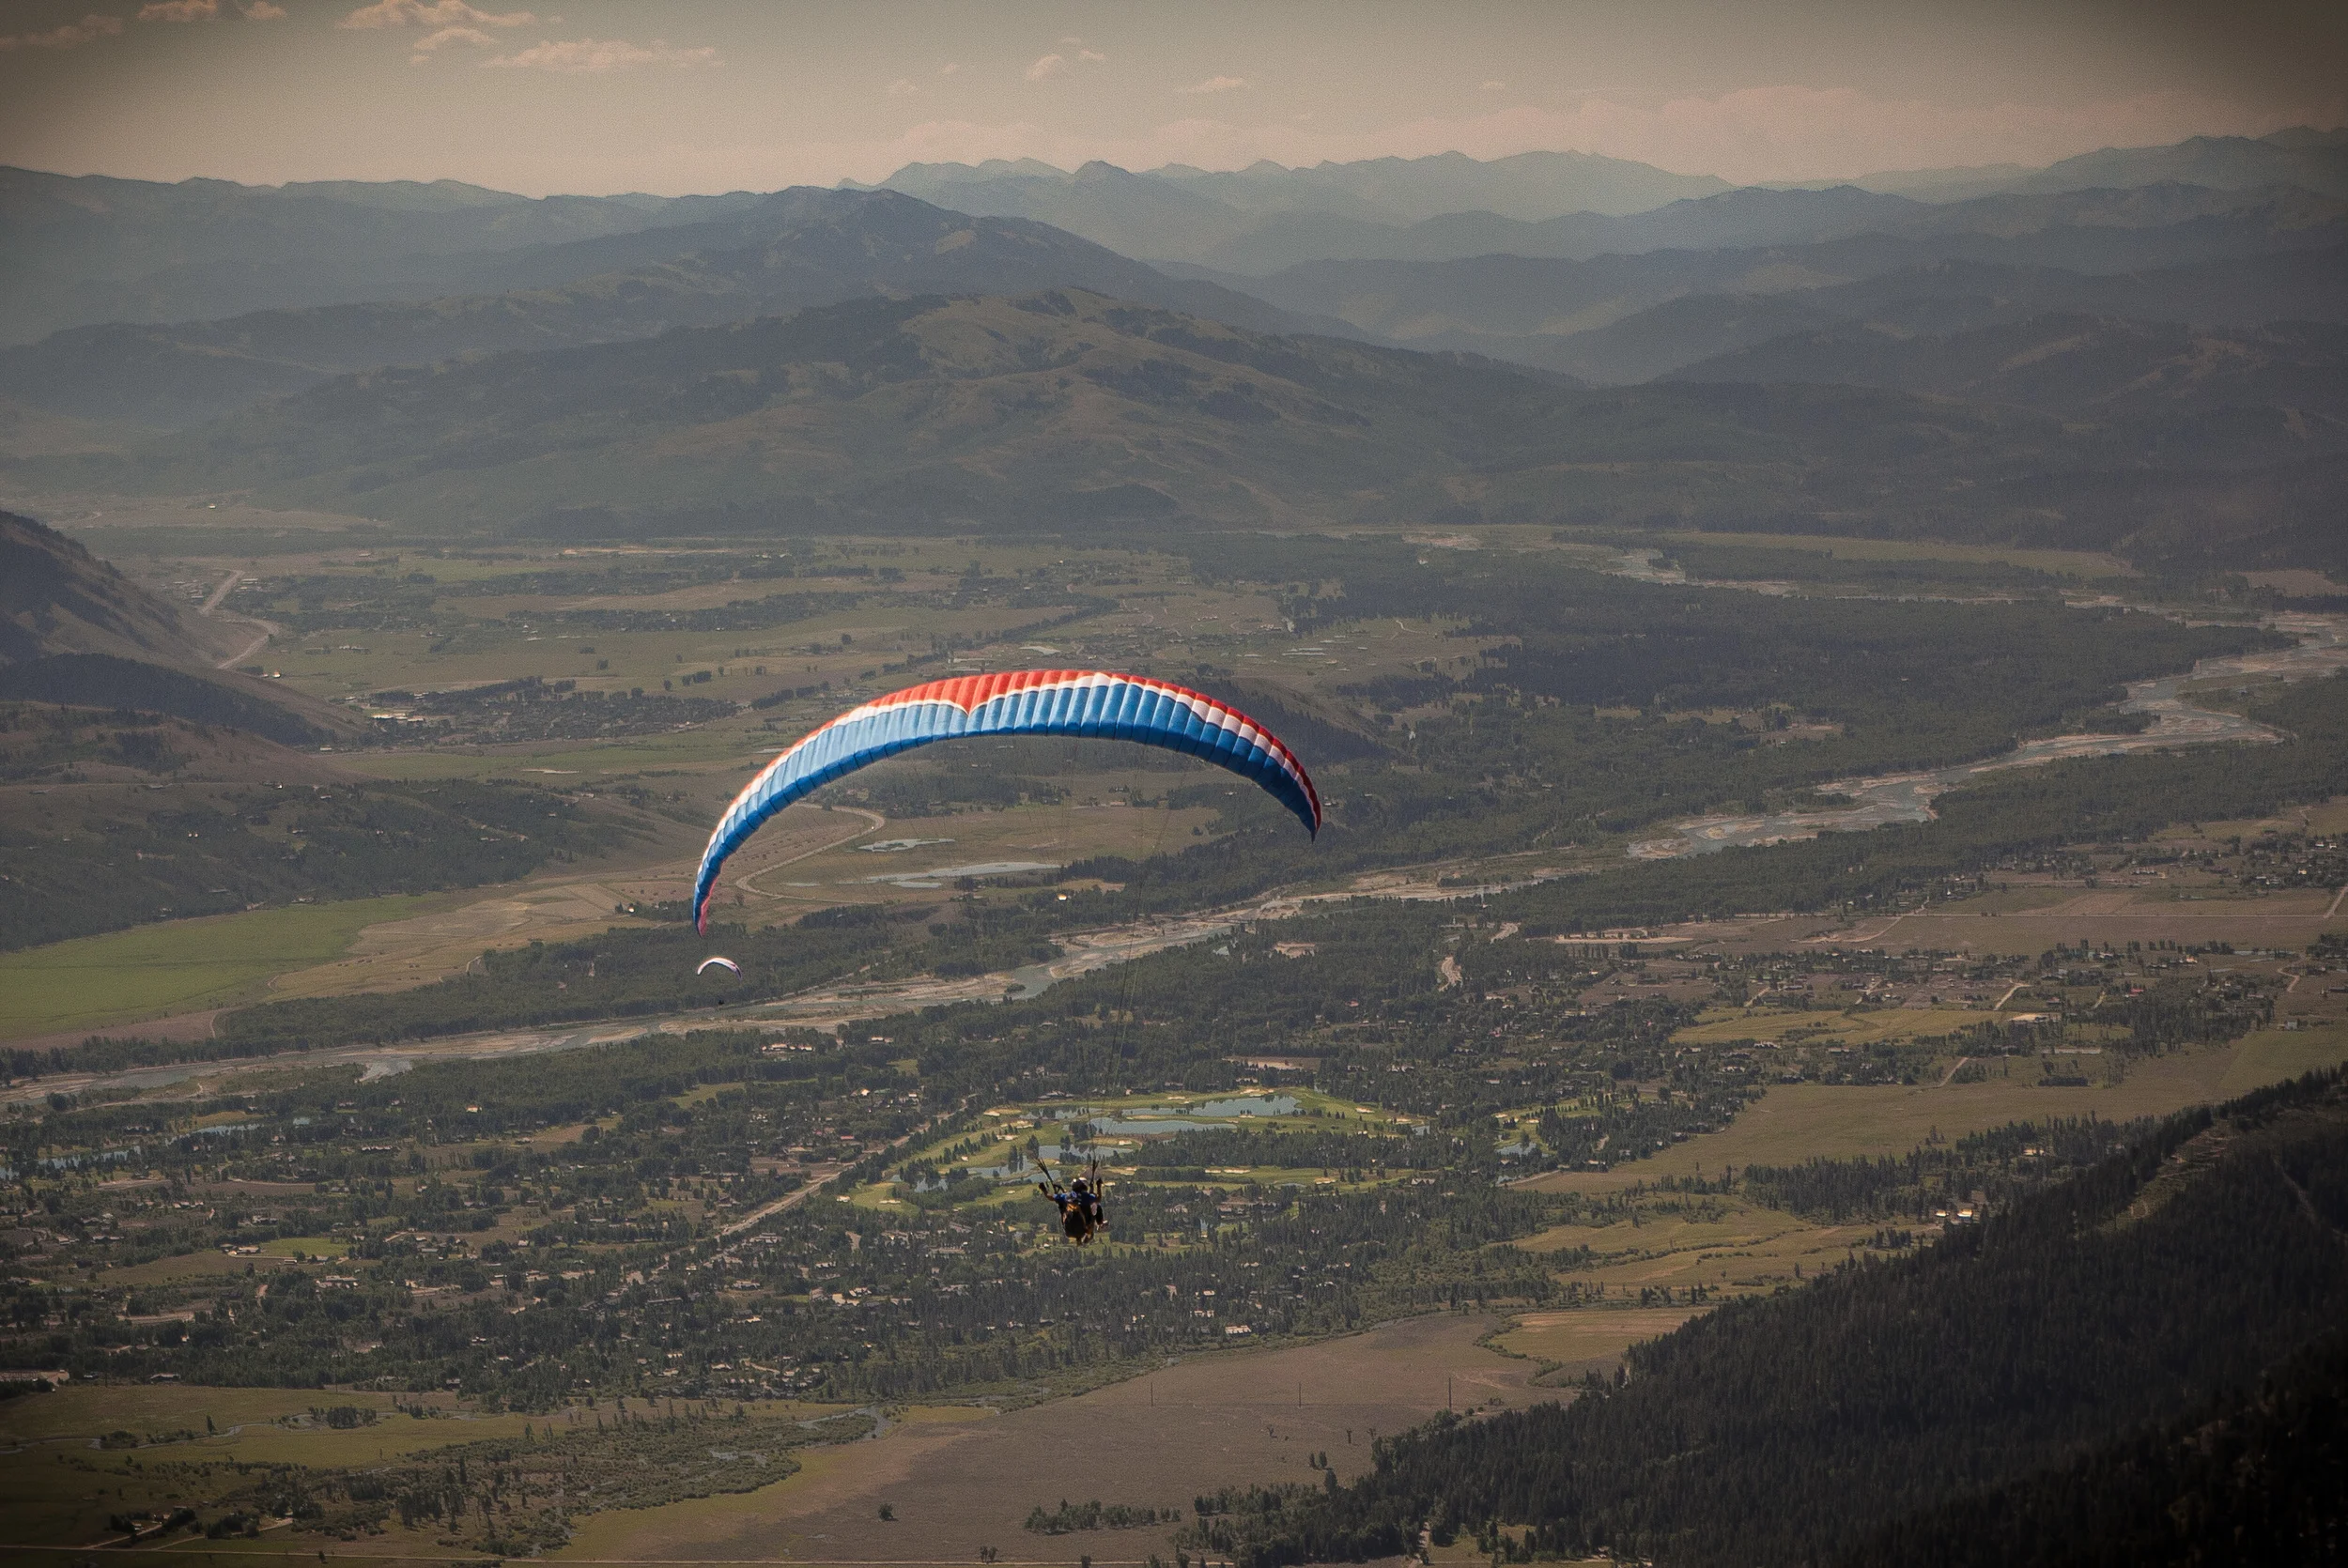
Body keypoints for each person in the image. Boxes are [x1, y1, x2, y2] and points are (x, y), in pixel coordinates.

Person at [1039, 1165, 1107, 1243]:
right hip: (1083, 1229)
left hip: (1068, 1231)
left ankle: (1084, 1235)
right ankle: (1099, 1224)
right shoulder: (1086, 1196)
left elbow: (1050, 1197)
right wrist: (1098, 1186)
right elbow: (1098, 1199)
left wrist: (1044, 1190)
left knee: (1062, 1206)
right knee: (1097, 1207)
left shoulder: (1066, 1196)